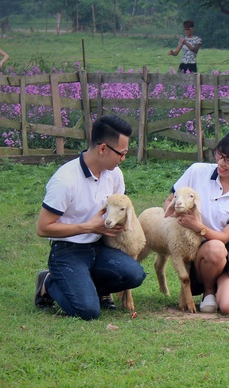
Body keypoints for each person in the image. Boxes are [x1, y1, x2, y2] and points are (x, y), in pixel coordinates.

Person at [34, 115, 146, 320]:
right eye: (121, 154)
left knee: (135, 274)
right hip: (68, 250)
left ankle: (89, 284)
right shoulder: (65, 180)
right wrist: (87, 227)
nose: (123, 158)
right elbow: (43, 228)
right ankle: (48, 282)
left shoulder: (115, 174)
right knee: (87, 311)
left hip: (99, 246)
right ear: (103, 148)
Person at [161, 129, 229, 314]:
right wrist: (178, 216)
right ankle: (209, 290)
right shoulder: (197, 171)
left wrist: (198, 226)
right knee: (214, 249)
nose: (221, 163)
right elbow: (169, 201)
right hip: (195, 246)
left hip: (228, 248)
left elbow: (225, 237)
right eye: (219, 155)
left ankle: (225, 283)